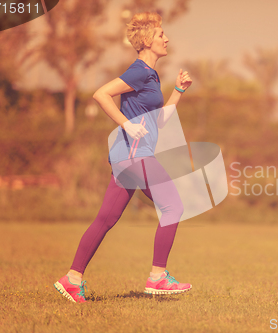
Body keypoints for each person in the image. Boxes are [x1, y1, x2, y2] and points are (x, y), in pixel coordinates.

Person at [54, 11, 193, 303]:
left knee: (106, 218)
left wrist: (178, 91)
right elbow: (101, 94)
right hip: (134, 154)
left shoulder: (151, 76)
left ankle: (72, 279)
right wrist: (126, 123)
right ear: (146, 40)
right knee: (173, 207)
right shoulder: (139, 71)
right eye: (160, 34)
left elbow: (158, 122)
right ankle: (157, 276)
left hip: (128, 155)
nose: (166, 38)